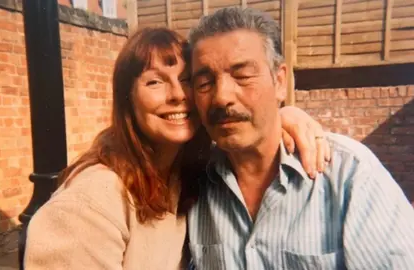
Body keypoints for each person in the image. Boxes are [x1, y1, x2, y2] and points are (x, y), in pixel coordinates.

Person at [23, 27, 330, 269]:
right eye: (154, 82)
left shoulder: (188, 174)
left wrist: (284, 116)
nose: (177, 96)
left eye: (186, 80)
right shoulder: (91, 202)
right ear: (127, 99)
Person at [186, 7, 414, 270]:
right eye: (204, 83)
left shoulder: (349, 175)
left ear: (280, 81)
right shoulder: (192, 185)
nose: (222, 96)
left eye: (242, 76)